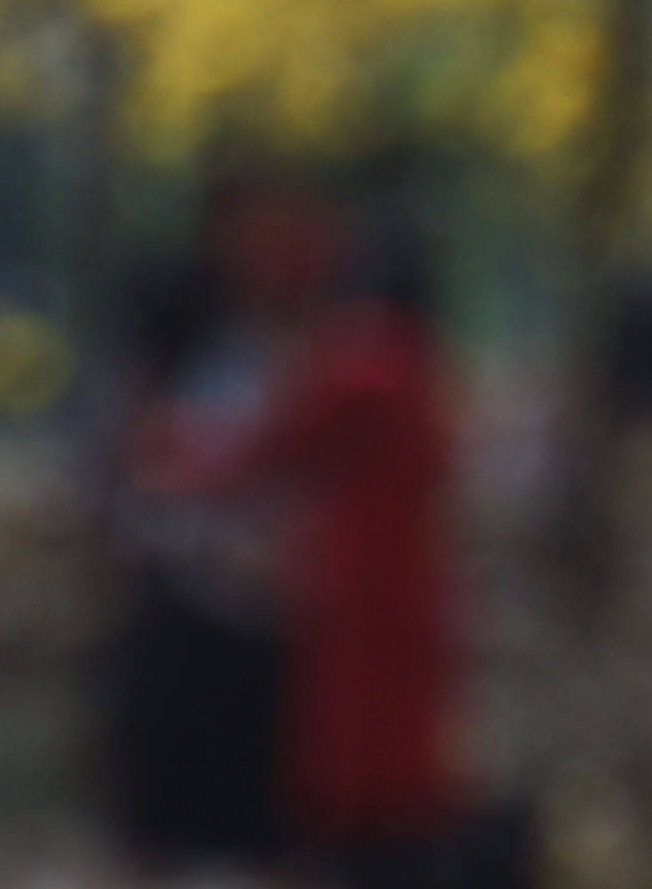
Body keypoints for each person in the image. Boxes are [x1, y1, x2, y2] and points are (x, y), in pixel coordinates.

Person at [103, 182, 311, 876]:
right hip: (187, 603)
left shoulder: (297, 343)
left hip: (261, 616)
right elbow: (142, 469)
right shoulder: (184, 333)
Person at [263, 222, 470, 885]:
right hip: (409, 586)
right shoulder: (421, 366)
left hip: (358, 594)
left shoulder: (361, 362)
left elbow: (276, 441)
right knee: (404, 765)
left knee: (358, 769)